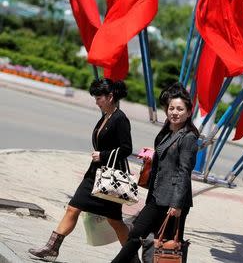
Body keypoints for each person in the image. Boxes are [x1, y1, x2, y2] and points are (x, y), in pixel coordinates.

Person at [28, 78, 132, 262]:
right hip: (94, 175)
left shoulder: (120, 118)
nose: (96, 100)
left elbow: (127, 148)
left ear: (110, 97)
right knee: (72, 208)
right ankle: (51, 248)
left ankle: (132, 257)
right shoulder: (105, 115)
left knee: (115, 221)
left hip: (110, 179)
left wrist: (103, 155)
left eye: (98, 97)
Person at [111, 83, 199, 263]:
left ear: (189, 113)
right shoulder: (167, 133)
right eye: (171, 108)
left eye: (180, 109)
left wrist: (176, 205)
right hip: (158, 196)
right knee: (143, 237)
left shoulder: (188, 137)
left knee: (165, 243)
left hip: (172, 201)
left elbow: (184, 172)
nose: (174, 112)